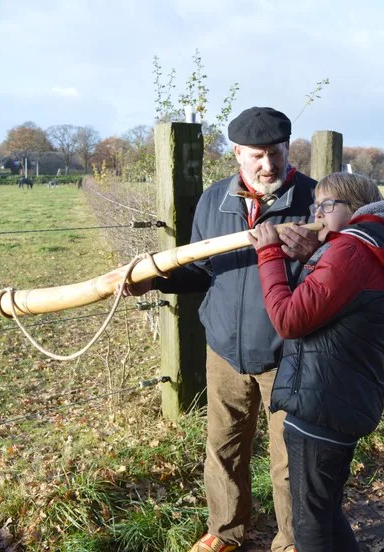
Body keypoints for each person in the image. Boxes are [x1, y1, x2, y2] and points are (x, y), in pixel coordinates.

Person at [119, 107, 320, 552]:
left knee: (290, 459)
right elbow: (202, 271)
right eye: (257, 156)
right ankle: (226, 531)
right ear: (236, 154)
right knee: (223, 446)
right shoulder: (215, 200)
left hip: (291, 351)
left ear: (289, 149)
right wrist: (155, 280)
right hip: (225, 349)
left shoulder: (315, 200)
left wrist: (311, 255)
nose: (268, 165)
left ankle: (292, 541)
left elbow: (337, 277)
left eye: (277, 153)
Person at [248, 173, 384, 551]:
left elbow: (289, 320)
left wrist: (269, 255)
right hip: (346, 395)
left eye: (327, 206)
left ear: (355, 209)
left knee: (310, 523)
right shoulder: (382, 247)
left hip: (321, 402)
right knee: (324, 509)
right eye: (316, 206)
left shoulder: (351, 251)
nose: (317, 214)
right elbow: (345, 299)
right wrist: (313, 257)